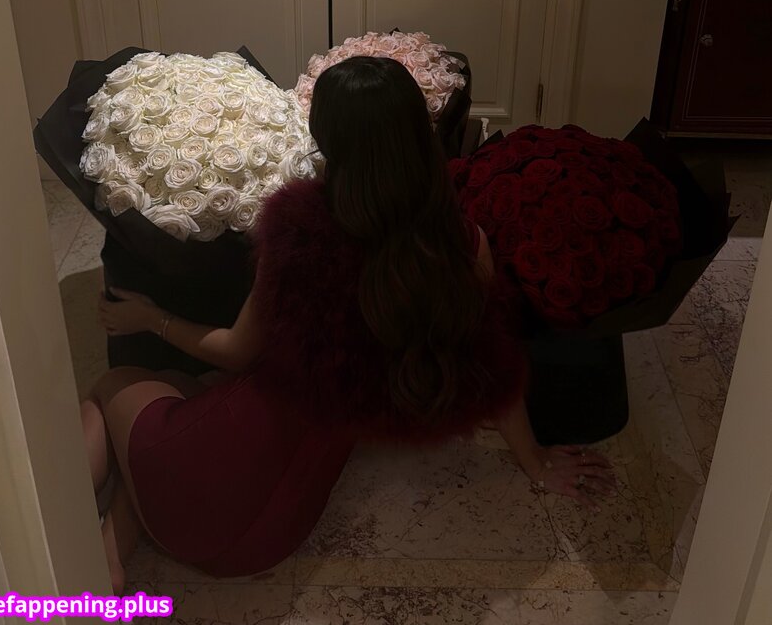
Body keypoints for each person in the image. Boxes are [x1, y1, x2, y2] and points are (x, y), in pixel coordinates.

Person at [85, 56, 615, 594]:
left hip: (197, 477)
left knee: (114, 386)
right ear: (419, 134)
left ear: (324, 138)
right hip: (273, 534)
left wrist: (150, 318)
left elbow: (235, 351)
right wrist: (534, 461)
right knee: (182, 389)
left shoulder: (299, 233)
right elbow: (492, 365)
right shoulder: (461, 245)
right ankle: (105, 551)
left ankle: (55, 528)